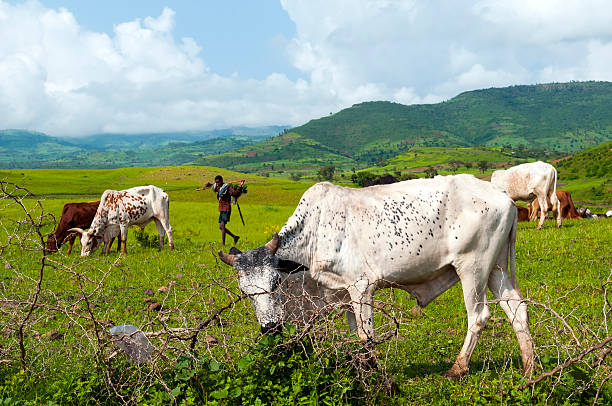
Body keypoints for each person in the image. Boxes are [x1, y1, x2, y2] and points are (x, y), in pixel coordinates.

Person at [197, 175, 245, 245]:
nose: (217, 184)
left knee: (222, 226)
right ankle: (235, 237)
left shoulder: (227, 187)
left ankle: (223, 244)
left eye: (219, 182)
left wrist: (240, 186)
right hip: (221, 208)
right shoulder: (217, 186)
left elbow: (235, 193)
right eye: (216, 182)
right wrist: (203, 188)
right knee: (221, 227)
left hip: (226, 208)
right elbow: (210, 185)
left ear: (222, 181)